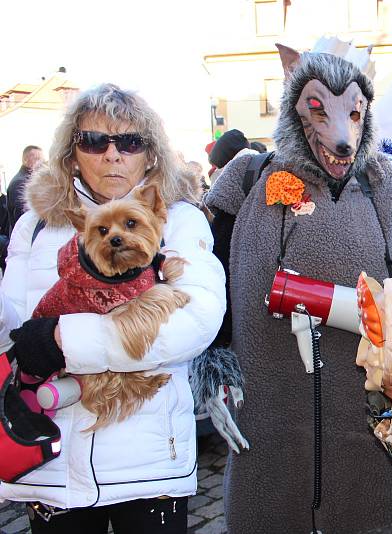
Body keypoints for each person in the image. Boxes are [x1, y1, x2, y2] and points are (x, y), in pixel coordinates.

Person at [204, 37, 392, 534]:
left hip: (366, 407)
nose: (342, 136)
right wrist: (213, 361)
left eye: (355, 114)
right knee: (270, 507)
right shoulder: (248, 177)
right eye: (318, 111)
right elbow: (208, 275)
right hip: (270, 405)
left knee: (365, 512)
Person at [0, 83, 226, 534]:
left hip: (148, 465)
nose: (112, 154)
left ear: (151, 153)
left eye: (129, 141)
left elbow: (196, 321)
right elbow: (12, 325)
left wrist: (65, 343)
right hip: (53, 463)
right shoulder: (36, 225)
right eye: (94, 141)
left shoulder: (178, 218)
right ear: (71, 152)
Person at [6, 145, 44, 237]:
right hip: (24, 238)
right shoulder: (21, 182)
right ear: (26, 160)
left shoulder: (27, 179)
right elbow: (21, 214)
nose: (42, 162)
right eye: (38, 159)